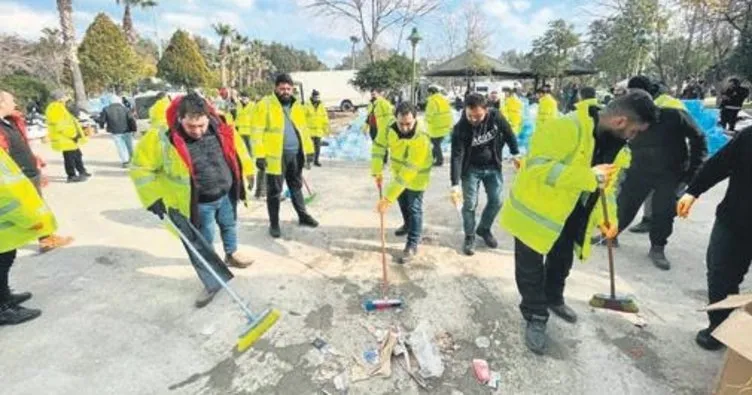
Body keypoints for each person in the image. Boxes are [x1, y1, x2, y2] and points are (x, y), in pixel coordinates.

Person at [500, 90, 658, 355]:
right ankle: (536, 316)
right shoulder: (565, 127)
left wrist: (610, 220)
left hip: (572, 214)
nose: (634, 137)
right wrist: (586, 176)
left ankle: (553, 298)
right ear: (620, 122)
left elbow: (606, 187)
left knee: (562, 260)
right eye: (634, 131)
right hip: (535, 212)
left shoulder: (618, 146)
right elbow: (536, 168)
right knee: (530, 269)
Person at [130, 93, 255, 308]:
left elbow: (237, 150)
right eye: (191, 126)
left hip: (225, 192)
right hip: (198, 202)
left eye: (201, 125)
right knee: (202, 243)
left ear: (208, 117)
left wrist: (249, 171)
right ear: (180, 118)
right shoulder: (161, 138)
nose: (197, 131)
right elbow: (141, 168)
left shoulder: (220, 125)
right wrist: (153, 198)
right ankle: (212, 281)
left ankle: (231, 254)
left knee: (229, 224)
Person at [603, 76, 707, 270]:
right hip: (639, 170)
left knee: (663, 211)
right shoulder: (629, 118)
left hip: (670, 172)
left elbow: (699, 138)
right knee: (624, 203)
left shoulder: (674, 116)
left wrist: (692, 173)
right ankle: (611, 235)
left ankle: (658, 247)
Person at [676, 126, 752, 350]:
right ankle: (719, 327)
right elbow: (719, 164)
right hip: (734, 221)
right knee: (720, 274)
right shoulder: (749, 137)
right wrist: (693, 191)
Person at [0, 91, 73, 253]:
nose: (15, 103)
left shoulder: (9, 122)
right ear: (1, 103)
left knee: (38, 207)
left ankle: (46, 238)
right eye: (12, 100)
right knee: (27, 210)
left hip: (28, 170)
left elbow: (20, 145)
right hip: (17, 177)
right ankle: (44, 238)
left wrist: (34, 161)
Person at [250, 73, 319, 238]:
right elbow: (256, 132)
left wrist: (309, 151)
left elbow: (303, 130)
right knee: (274, 191)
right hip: (275, 157)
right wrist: (259, 155)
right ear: (275, 88)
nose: (286, 91)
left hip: (295, 155)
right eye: (282, 88)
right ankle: (274, 224)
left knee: (296, 186)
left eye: (289, 88)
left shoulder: (297, 106)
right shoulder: (265, 105)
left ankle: (303, 216)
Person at [450, 93, 519, 256]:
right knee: (470, 204)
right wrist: (454, 184)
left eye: (478, 116)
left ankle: (484, 229)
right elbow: (456, 156)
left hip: (493, 166)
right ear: (465, 111)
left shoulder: (495, 117)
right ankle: (469, 236)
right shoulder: (460, 128)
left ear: (486, 110)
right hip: (470, 170)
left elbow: (508, 133)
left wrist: (516, 154)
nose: (474, 119)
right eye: (470, 115)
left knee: (497, 201)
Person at [0, 143, 58, 325]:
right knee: (1, 262)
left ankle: (5, 296)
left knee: (6, 257)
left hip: (7, 220)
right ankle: (3, 309)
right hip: (7, 215)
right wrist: (27, 219)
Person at [374, 102, 433, 264]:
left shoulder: (422, 136)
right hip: (398, 172)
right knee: (402, 202)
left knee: (414, 207)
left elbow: (410, 169)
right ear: (395, 119)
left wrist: (387, 198)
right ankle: (407, 225)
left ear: (415, 119)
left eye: (408, 124)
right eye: (401, 123)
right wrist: (377, 169)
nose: (405, 128)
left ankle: (412, 243)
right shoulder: (388, 126)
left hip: (417, 175)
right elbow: (379, 146)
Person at [45, 90, 90, 183]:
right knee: (69, 158)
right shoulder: (55, 107)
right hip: (65, 138)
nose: (66, 97)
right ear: (60, 98)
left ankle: (82, 171)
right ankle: (71, 175)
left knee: (77, 155)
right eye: (64, 96)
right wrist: (72, 135)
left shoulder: (61, 106)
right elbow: (60, 125)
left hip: (69, 138)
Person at [99, 95, 137, 168]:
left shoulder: (106, 109)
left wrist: (101, 126)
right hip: (127, 130)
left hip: (115, 131)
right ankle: (133, 159)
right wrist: (134, 129)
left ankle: (125, 162)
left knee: (120, 146)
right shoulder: (125, 109)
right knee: (130, 145)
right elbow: (131, 120)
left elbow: (102, 120)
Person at [424, 86, 453, 167]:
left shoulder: (432, 101)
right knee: (436, 143)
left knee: (436, 144)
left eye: (428, 93)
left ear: (430, 93)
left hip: (436, 126)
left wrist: (425, 123)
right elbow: (449, 112)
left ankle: (439, 161)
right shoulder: (444, 100)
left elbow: (429, 114)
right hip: (445, 126)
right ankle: (431, 158)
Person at [305, 90, 330, 167]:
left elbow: (324, 117)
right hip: (309, 130)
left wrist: (326, 128)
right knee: (309, 147)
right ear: (312, 96)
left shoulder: (321, 105)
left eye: (318, 97)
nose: (317, 98)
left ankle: (316, 161)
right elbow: (303, 116)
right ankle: (308, 162)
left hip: (318, 130)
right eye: (315, 97)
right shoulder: (307, 104)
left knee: (317, 147)